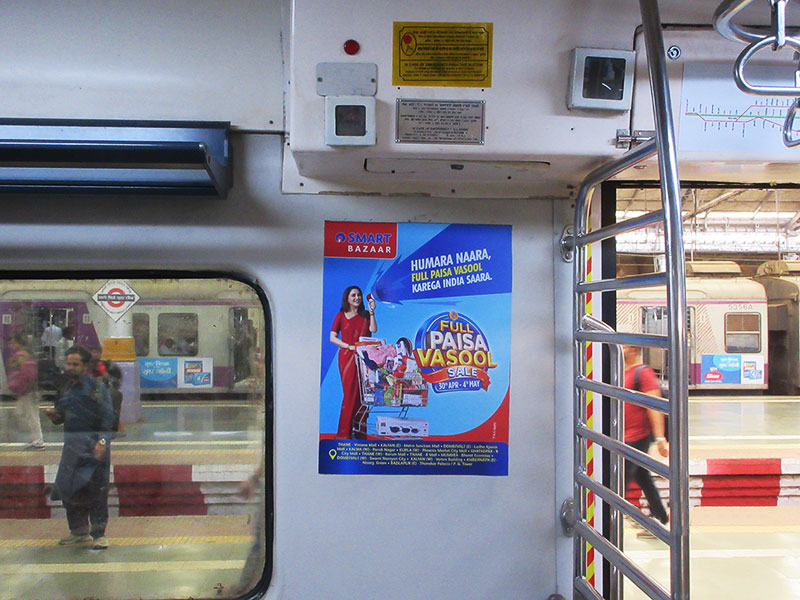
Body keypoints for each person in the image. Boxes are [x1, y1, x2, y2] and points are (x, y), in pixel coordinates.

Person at [44, 345, 114, 550]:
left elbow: (108, 418)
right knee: (70, 489)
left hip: (94, 447)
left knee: (96, 490)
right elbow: (62, 415)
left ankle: (99, 534)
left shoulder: (96, 388)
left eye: (75, 364)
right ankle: (79, 531)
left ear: (85, 365)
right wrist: (55, 416)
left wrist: (102, 442)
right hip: (72, 447)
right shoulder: (66, 387)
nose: (70, 367)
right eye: (68, 363)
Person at [623, 345, 669, 530]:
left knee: (620, 482)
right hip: (625, 436)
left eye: (625, 346)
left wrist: (660, 438)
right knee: (642, 476)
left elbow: (654, 406)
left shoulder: (643, 373)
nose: (621, 349)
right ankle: (661, 518)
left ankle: (615, 515)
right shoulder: (623, 372)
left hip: (637, 437)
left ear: (634, 349)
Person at [329, 286, 377, 439]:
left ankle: (360, 432)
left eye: (359, 295)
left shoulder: (365, 315)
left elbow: (373, 330)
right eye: (353, 295)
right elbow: (332, 337)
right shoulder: (340, 316)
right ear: (347, 298)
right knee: (350, 394)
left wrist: (372, 312)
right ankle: (344, 433)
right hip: (347, 357)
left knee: (363, 394)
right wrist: (348, 346)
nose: (357, 298)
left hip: (364, 357)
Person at [7, 333, 44, 449]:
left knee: (31, 416)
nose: (10, 345)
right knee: (22, 414)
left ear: (18, 343)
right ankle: (34, 438)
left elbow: (24, 374)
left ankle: (38, 441)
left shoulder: (21, 355)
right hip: (29, 390)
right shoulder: (27, 353)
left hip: (28, 391)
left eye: (12, 342)